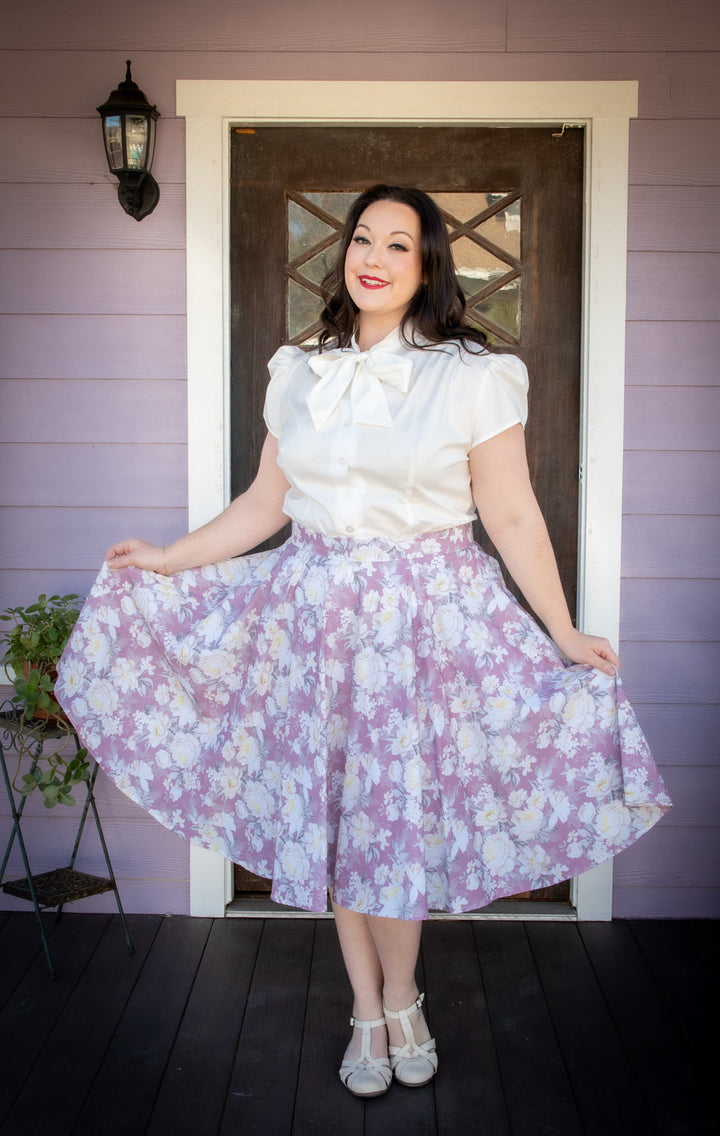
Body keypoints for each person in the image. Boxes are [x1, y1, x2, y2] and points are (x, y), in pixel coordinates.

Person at [56, 184, 670, 1099]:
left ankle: (406, 996)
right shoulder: (299, 369)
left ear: (427, 268)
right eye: (361, 237)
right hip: (312, 621)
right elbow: (266, 506)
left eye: (398, 244)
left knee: (392, 824)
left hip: (425, 627)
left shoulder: (472, 373)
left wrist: (561, 628)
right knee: (339, 819)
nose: (372, 256)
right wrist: (170, 559)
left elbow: (509, 510)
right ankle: (367, 1007)